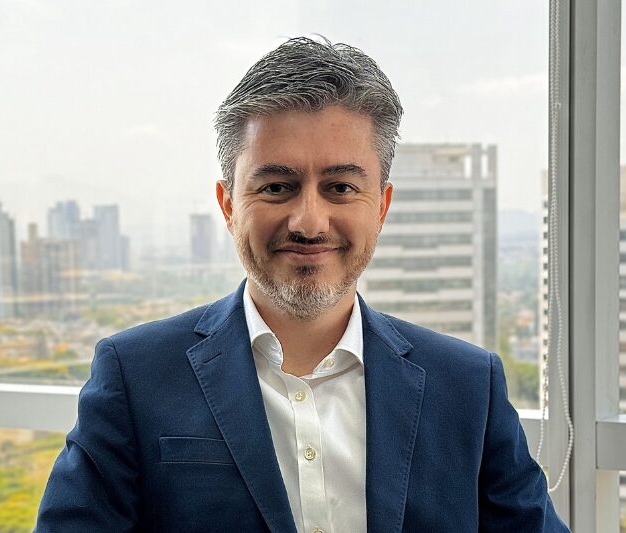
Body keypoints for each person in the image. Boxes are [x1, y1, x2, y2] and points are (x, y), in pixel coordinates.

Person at [35, 37, 570, 532]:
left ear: (380, 206)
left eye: (340, 187)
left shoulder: (468, 386)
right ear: (228, 205)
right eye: (276, 186)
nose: (309, 221)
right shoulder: (136, 376)